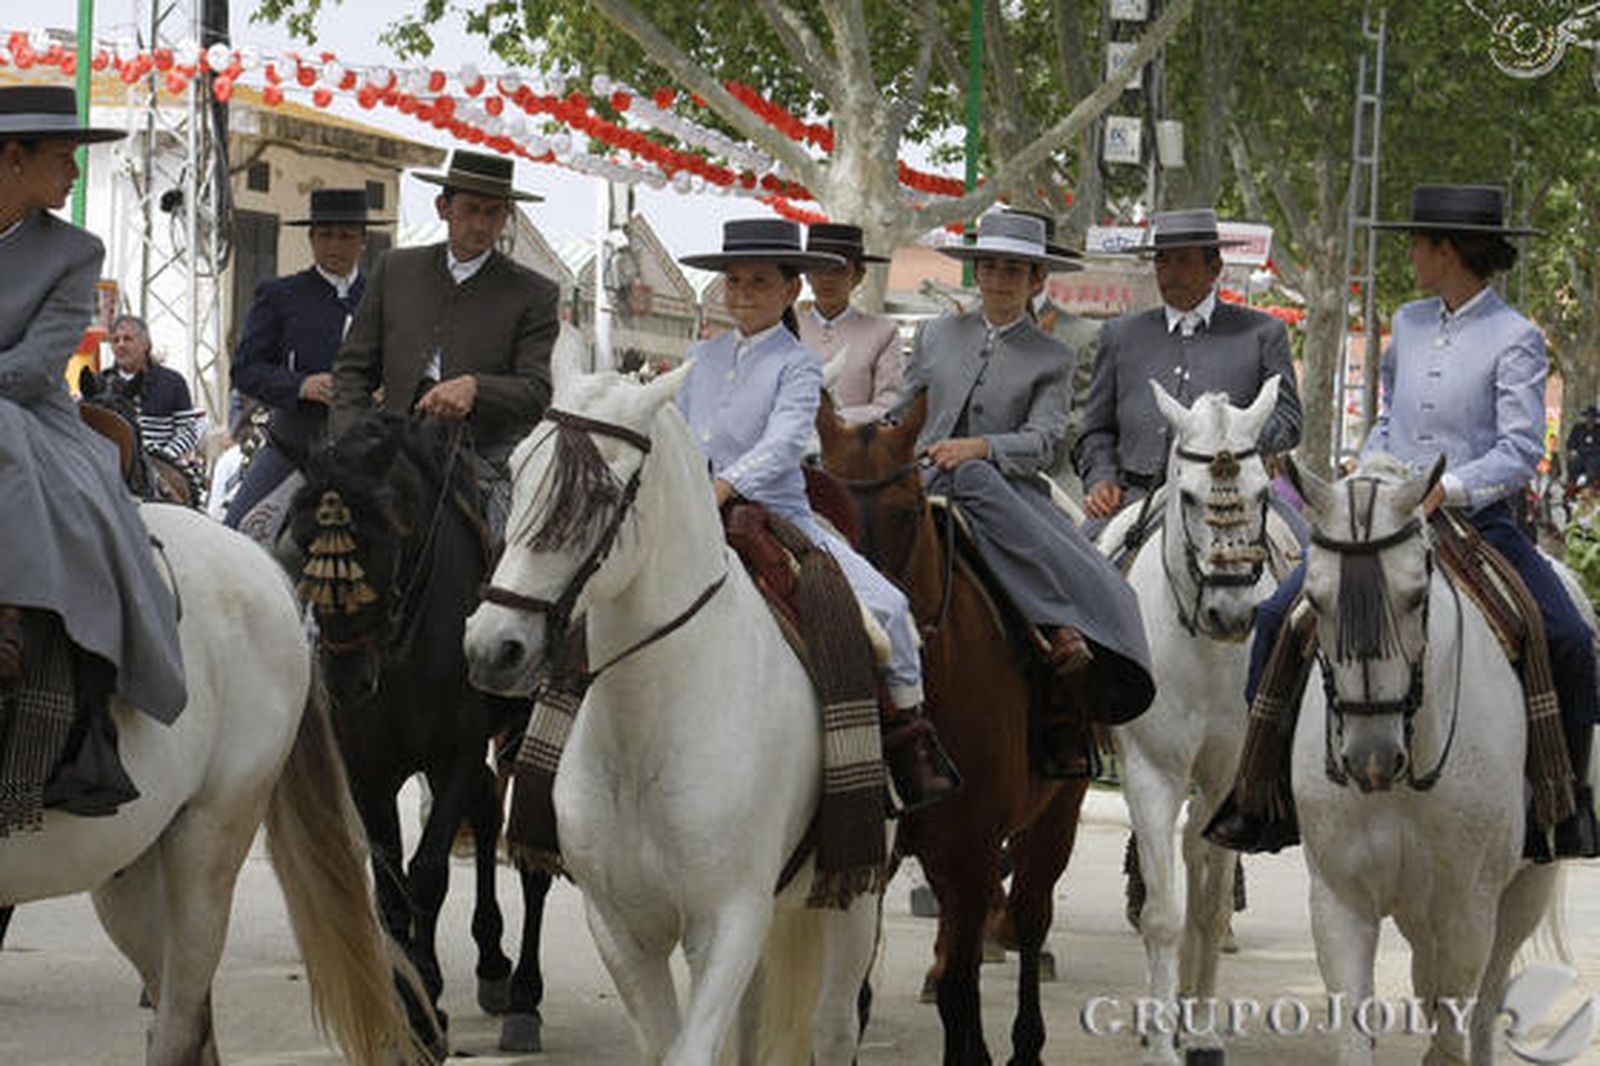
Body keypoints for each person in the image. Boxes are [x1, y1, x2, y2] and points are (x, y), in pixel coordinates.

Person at [1206, 183, 1600, 860]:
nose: (1411, 254)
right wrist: (1368, 473)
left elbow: (1519, 449)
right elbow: (1388, 418)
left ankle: (1562, 805)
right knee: (1276, 618)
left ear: (1448, 250)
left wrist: (1449, 489)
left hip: (1477, 522)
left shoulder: (1517, 337)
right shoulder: (1409, 323)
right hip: (1383, 514)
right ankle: (1259, 791)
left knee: (1564, 635)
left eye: (1417, 243)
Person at [676, 218, 957, 811]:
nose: (743, 293)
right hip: (691, 511)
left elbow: (784, 443)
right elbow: (675, 428)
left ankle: (910, 745)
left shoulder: (798, 363)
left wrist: (723, 486)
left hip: (776, 515)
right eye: (734, 280)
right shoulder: (699, 356)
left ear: (790, 290)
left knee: (889, 608)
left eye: (759, 281)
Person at [902, 211, 1156, 771]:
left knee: (974, 477)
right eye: (990, 267)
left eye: (1013, 270)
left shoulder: (1053, 356)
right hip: (921, 478)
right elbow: (903, 410)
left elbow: (1043, 442)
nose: (998, 279)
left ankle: (1059, 626)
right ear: (976, 273)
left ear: (1037, 280)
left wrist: (981, 448)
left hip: (1005, 490)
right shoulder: (936, 334)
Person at [0, 85, 185, 814]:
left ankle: (20, 623)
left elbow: (33, 368)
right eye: (63, 158)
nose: (75, 174)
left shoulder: (76, 251)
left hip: (34, 415)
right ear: (14, 160)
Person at [331, 150, 559, 538]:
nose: (481, 224)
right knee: (306, 536)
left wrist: (477, 387)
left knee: (512, 551)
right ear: (443, 207)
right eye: (471, 209)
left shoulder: (535, 293)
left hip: (482, 455)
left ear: (506, 216)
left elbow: (537, 390)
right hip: (387, 443)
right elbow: (352, 368)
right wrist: (351, 437)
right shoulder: (394, 269)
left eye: (493, 213)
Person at [1075, 208, 1302, 537]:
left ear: (1214, 268)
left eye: (1183, 260)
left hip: (1234, 496)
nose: (1170, 272)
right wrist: (1101, 477)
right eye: (1162, 260)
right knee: (1076, 560)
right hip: (1134, 499)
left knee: (1303, 550)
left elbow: (1289, 419)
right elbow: (1096, 429)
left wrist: (1239, 437)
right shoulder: (1120, 335)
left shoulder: (1263, 333)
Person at [225, 187, 390, 541]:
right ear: (311, 238)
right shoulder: (280, 295)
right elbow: (245, 370)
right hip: (294, 448)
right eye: (325, 235)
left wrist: (386, 389)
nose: (334, 246)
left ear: (363, 241)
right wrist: (301, 385)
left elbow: (407, 363)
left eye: (345, 236)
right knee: (237, 535)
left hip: (369, 452)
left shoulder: (384, 297)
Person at [797, 223, 904, 424]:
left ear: (858, 276)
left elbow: (889, 403)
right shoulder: (787, 328)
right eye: (819, 269)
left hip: (856, 439)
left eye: (839, 270)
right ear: (807, 275)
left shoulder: (883, 331)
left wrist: (838, 420)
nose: (827, 278)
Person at [89, 313, 203, 462]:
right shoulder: (99, 383)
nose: (120, 345)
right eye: (115, 340)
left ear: (146, 344)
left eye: (127, 339)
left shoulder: (173, 382)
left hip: (162, 465)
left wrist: (163, 457)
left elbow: (188, 431)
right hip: (110, 465)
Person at [1567, 404, 1600, 492]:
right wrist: (1572, 451)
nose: (1590, 420)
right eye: (1589, 417)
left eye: (1592, 417)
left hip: (1595, 457)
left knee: (1593, 467)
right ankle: (1572, 487)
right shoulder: (1578, 428)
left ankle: (1590, 488)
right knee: (1574, 463)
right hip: (1579, 455)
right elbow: (1570, 442)